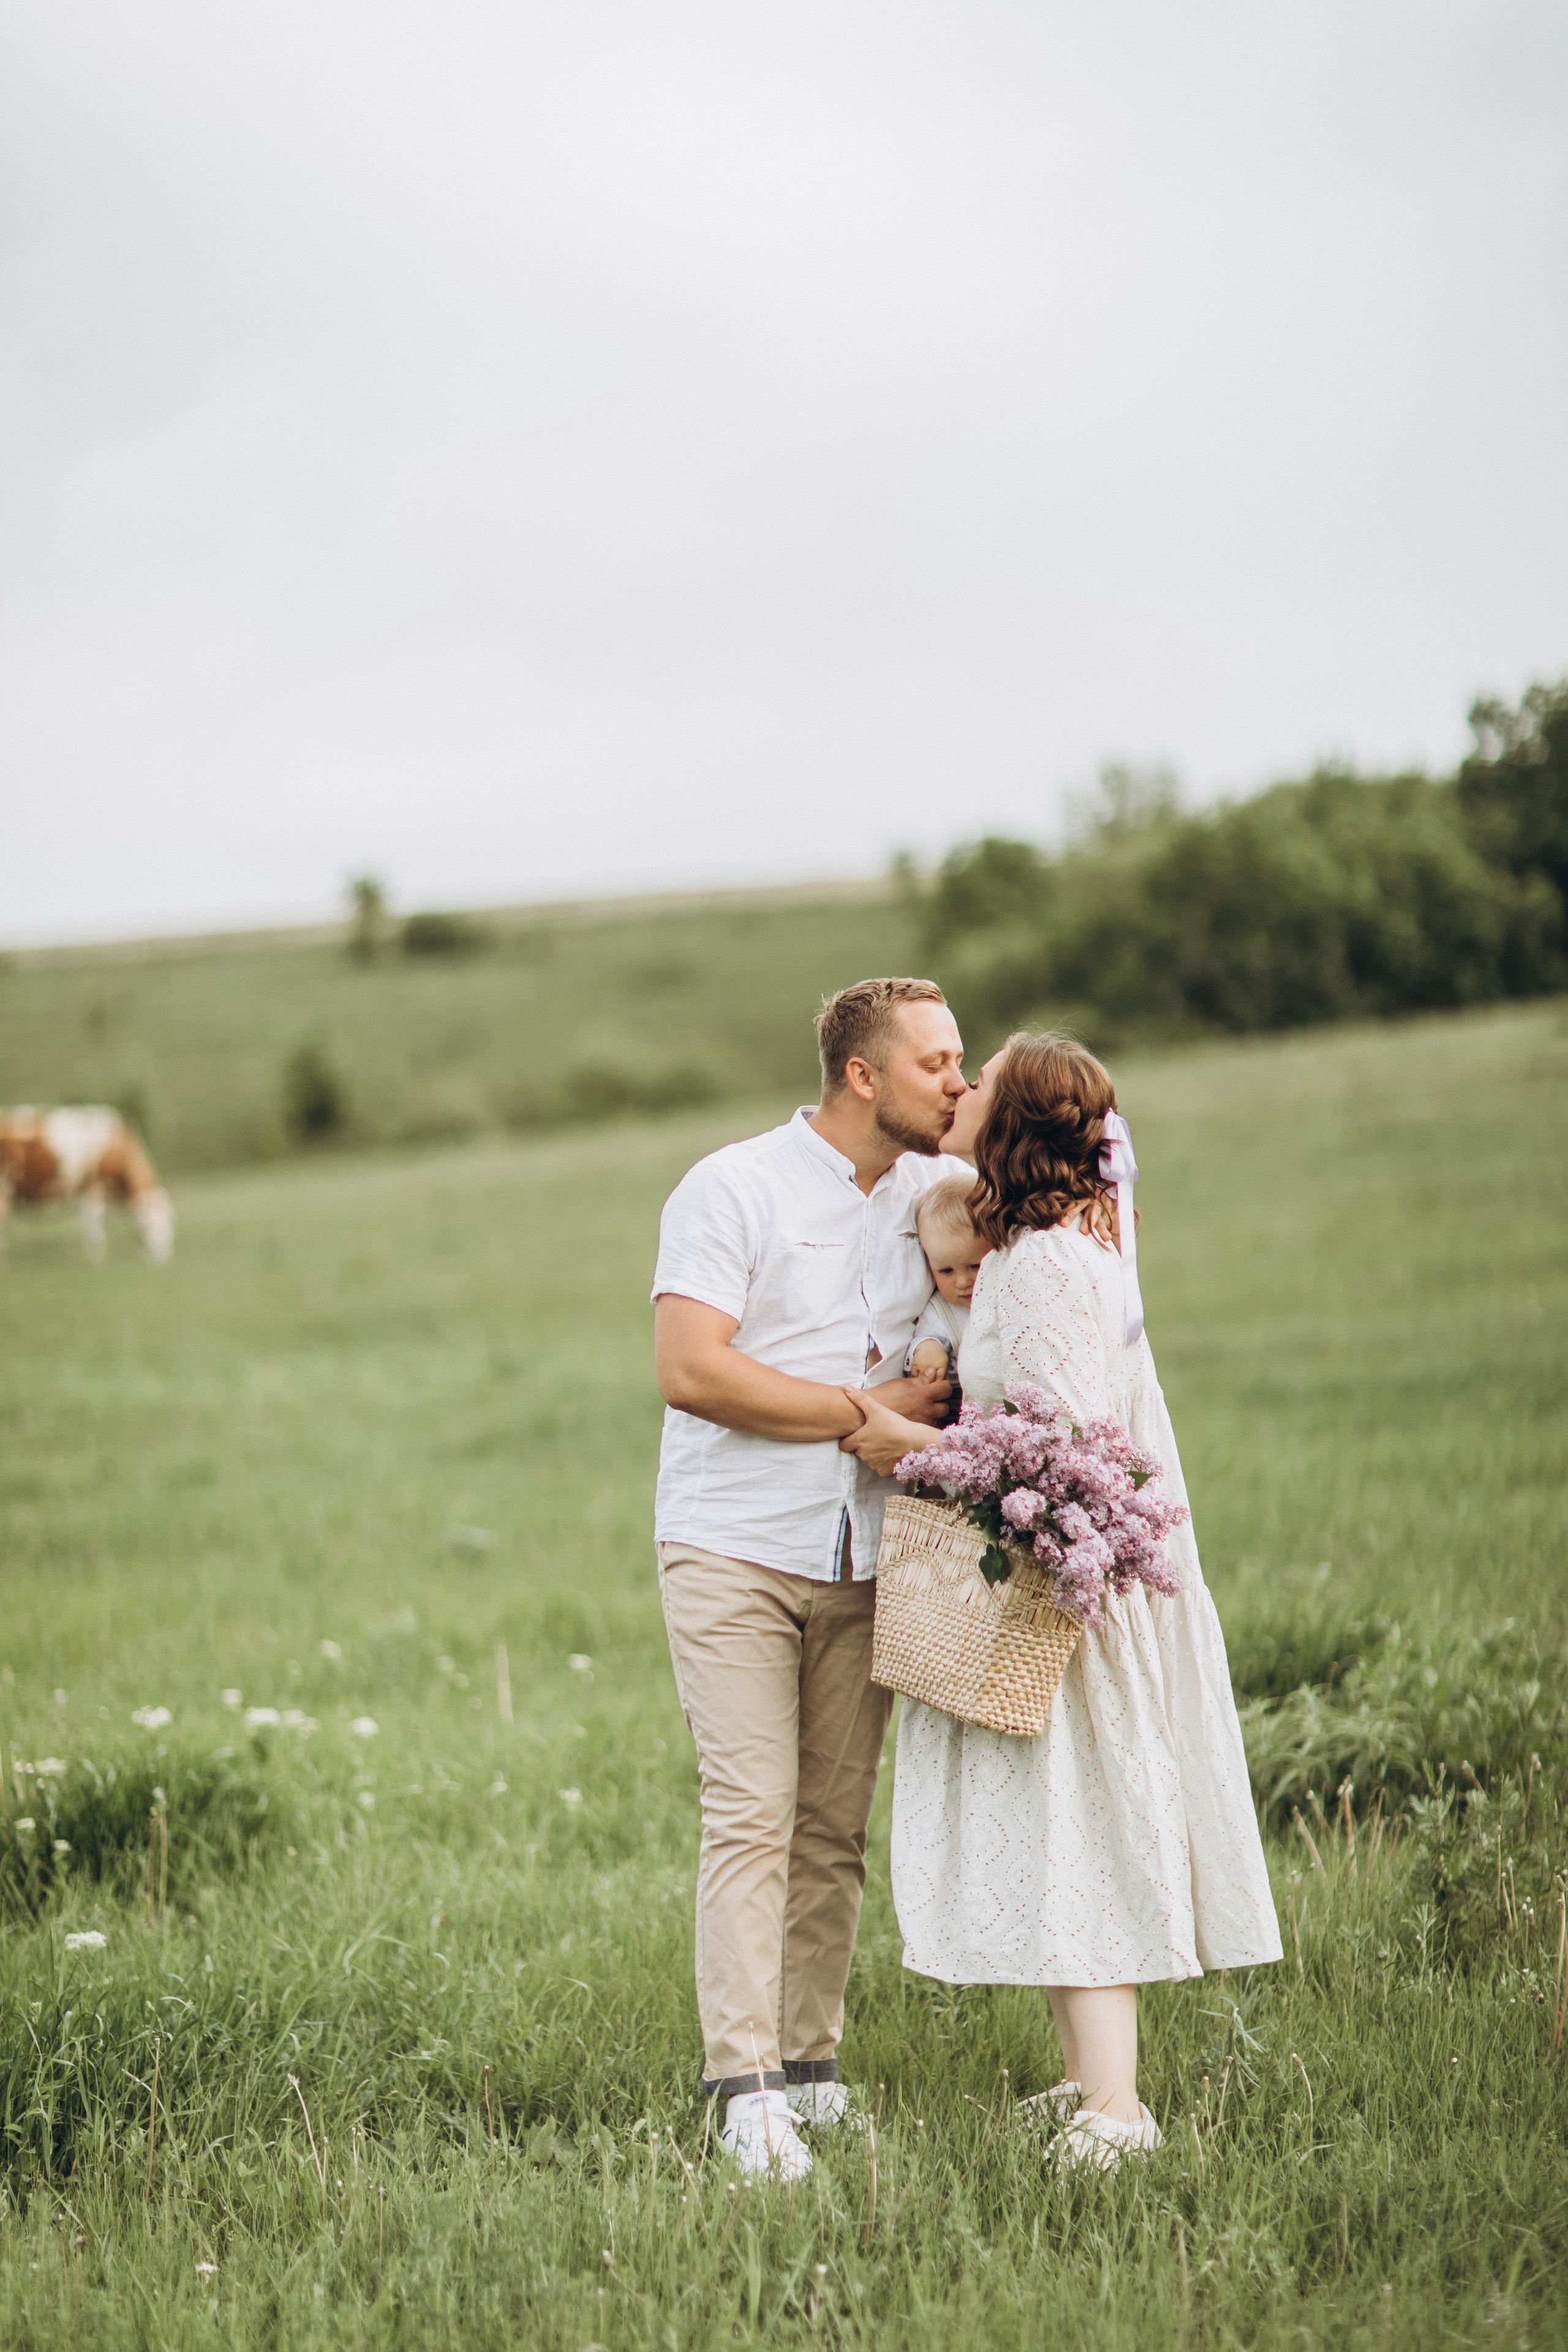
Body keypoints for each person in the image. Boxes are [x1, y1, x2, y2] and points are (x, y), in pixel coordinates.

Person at [843, 1033, 1282, 2173]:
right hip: (1063, 1571)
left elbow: (1062, 1458)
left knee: (1078, 1827)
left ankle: (1119, 2112)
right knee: (1054, 1830)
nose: (957, 1088)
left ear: (1012, 1120)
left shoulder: (1042, 1263)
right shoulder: (1046, 1244)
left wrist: (907, 1447)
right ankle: (1090, 2083)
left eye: (976, 1079)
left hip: (1064, 1592)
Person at [651, 976, 968, 2179]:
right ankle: (741, 2091)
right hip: (732, 1547)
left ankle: (811, 2072)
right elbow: (693, 1371)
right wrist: (865, 1409)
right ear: (860, 1075)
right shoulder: (727, 1187)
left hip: (868, 1554)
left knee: (833, 1828)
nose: (956, 1080)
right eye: (936, 1062)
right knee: (751, 1815)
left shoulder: (934, 1202)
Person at [905, 1175, 986, 1407]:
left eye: (975, 1266)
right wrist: (927, 1347)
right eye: (946, 1271)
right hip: (960, 1407)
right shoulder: (941, 1310)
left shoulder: (1012, 1296)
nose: (962, 1282)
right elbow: (925, 1336)